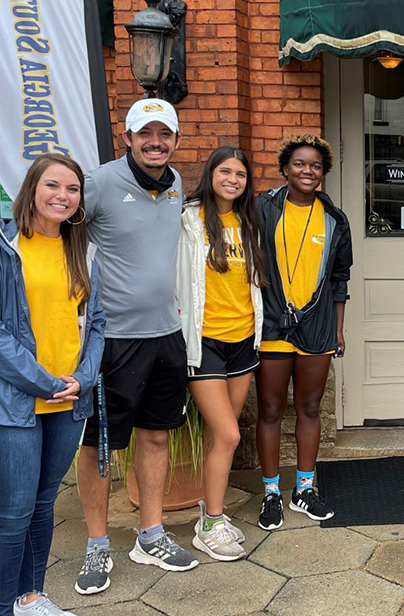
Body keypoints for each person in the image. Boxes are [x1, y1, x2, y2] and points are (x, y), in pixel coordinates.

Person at [0, 154, 105, 616]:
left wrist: (82, 379)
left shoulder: (82, 249)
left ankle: (30, 597)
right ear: (32, 189)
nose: (62, 195)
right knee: (12, 512)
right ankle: (0, 610)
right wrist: (41, 381)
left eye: (72, 189)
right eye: (53, 185)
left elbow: (97, 323)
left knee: (43, 505)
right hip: (11, 402)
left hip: (67, 401)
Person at [74, 98, 198, 595]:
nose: (154, 142)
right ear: (126, 138)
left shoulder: (175, 185)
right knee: (99, 446)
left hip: (166, 335)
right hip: (113, 341)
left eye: (163, 134)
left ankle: (150, 535)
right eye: (144, 133)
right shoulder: (100, 182)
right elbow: (48, 219)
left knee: (156, 435)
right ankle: (98, 546)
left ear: (175, 141)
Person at [254, 134, 353, 530]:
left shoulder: (334, 219)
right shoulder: (262, 208)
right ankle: (271, 492)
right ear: (284, 168)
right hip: (273, 323)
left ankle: (305, 489)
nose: (307, 171)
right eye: (299, 164)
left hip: (318, 327)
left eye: (315, 166)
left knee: (310, 408)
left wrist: (339, 329)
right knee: (271, 410)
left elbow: (341, 278)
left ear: (323, 172)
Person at [177, 146, 267, 560]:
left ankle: (212, 516)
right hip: (205, 342)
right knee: (230, 433)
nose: (233, 179)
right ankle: (210, 522)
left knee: (222, 438)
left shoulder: (249, 222)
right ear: (211, 173)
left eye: (241, 174)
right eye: (225, 171)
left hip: (243, 340)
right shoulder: (187, 219)